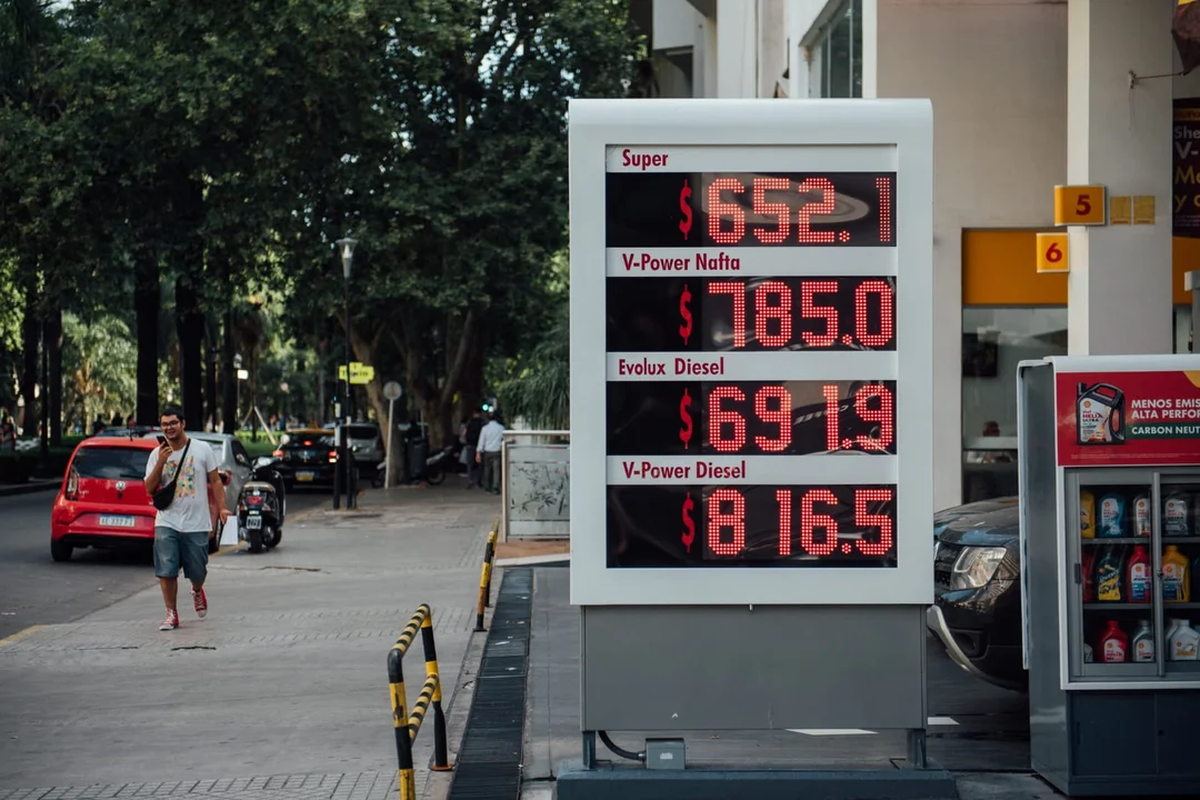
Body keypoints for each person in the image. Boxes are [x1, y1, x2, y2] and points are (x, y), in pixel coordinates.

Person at [143, 405, 229, 631]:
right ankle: (171, 613)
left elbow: (216, 480)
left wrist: (222, 508)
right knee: (166, 568)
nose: (169, 428)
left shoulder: (202, 449)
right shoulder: (157, 454)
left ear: (183, 424)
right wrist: (161, 462)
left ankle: (197, 589)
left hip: (196, 522)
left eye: (173, 423)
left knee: (198, 571)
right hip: (167, 520)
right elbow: (149, 488)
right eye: (164, 424)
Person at [475, 412, 505, 495]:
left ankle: (487, 487)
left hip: (487, 451)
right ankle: (495, 488)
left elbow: (481, 441)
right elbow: (504, 439)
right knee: (496, 470)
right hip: (497, 451)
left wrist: (478, 452)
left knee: (487, 469)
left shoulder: (485, 428)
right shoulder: (501, 428)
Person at [462, 409, 484, 488]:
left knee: (469, 464)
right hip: (479, 446)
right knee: (480, 464)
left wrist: (466, 441)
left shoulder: (469, 423)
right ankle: (478, 481)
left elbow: (464, 433)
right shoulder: (482, 423)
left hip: (470, 445)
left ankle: (470, 480)